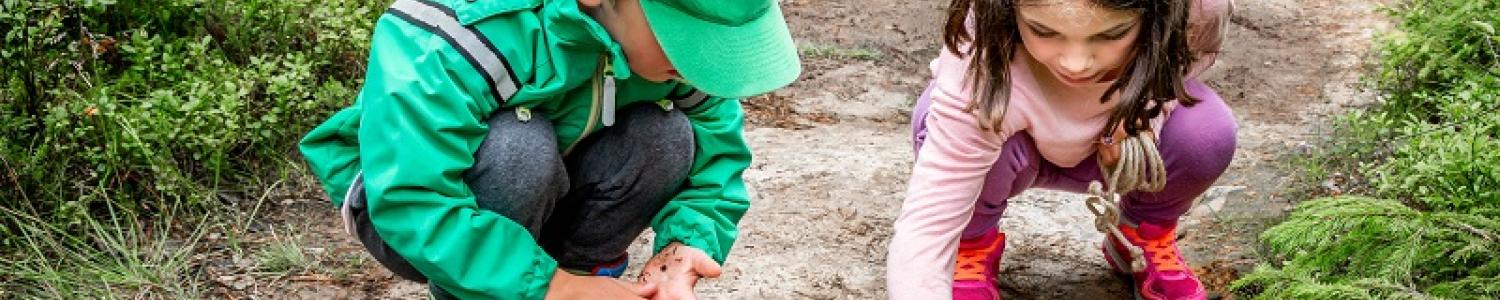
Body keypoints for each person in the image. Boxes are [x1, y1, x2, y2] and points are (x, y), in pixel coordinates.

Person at [298, 0, 801, 298]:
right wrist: (555, 290)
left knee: (666, 133)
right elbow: (412, 200)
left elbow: (718, 159)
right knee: (520, 147)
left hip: (550, 185)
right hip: (405, 213)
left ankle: (579, 272)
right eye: (689, 38)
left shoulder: (675, 60)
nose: (707, 62)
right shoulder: (461, 30)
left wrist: (688, 243)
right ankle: (495, 290)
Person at [886, 0, 1235, 299]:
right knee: (947, 122)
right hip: (1011, 150)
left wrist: (1142, 113)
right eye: (1043, 30)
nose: (1075, 63)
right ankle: (970, 242)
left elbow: (1183, 59)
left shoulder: (1201, 10)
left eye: (1112, 34)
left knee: (1206, 134)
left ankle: (1142, 232)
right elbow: (928, 223)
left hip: (1113, 152)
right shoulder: (979, 55)